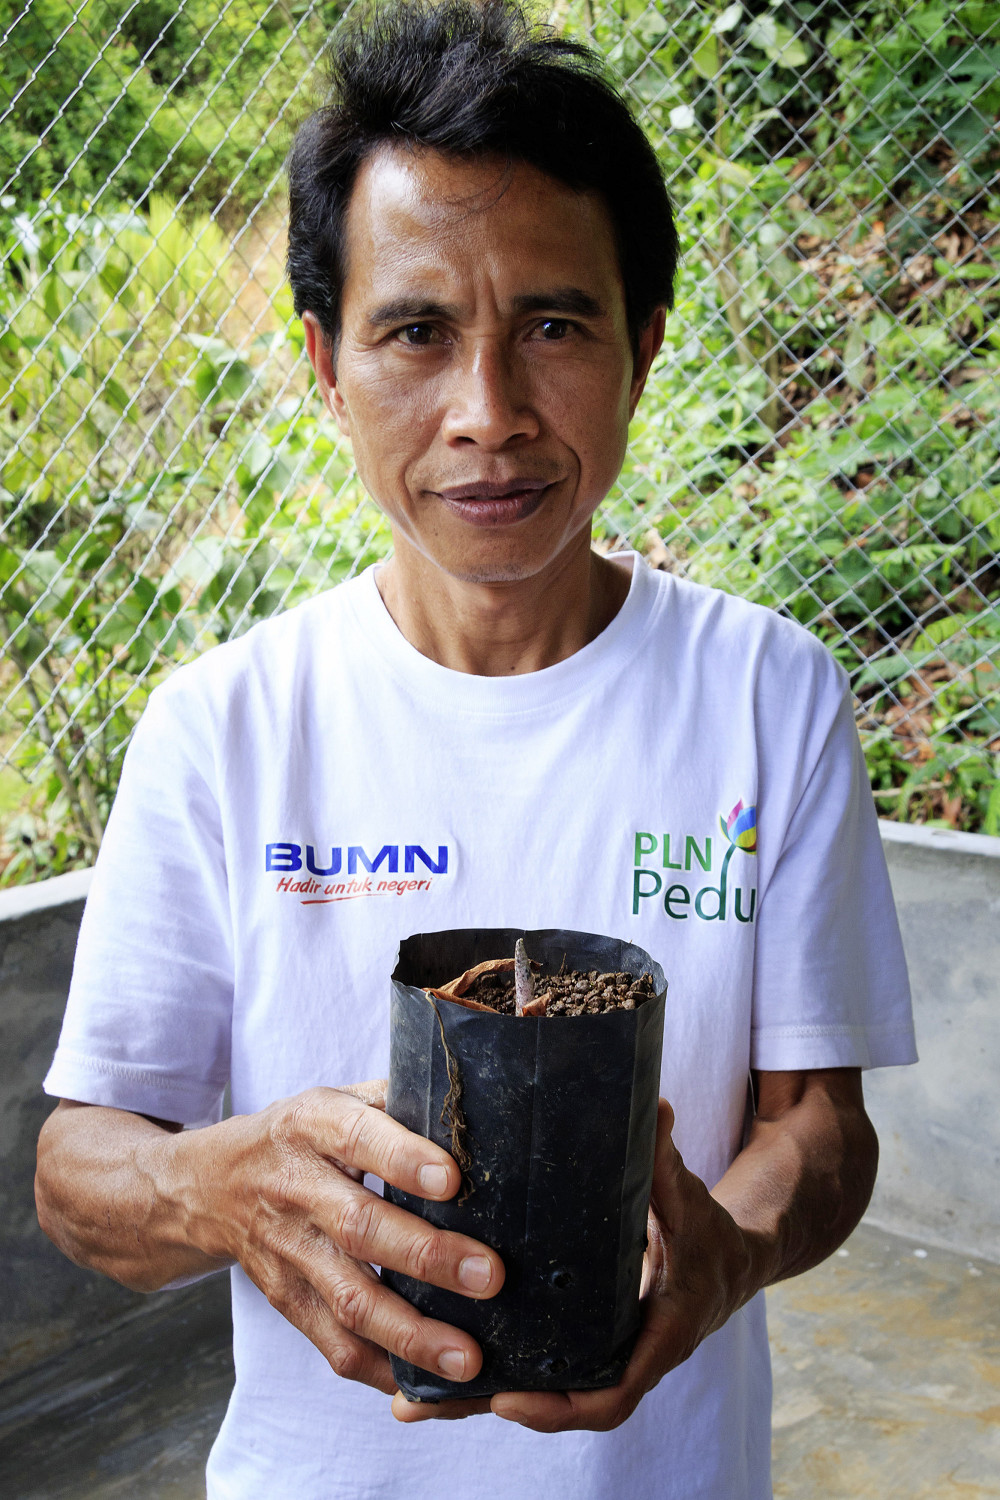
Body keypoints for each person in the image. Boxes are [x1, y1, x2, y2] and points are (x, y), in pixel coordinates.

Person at [34, 3, 917, 1497]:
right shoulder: (226, 725)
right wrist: (213, 1185)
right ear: (326, 363)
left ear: (644, 347)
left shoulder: (768, 692)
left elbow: (819, 1122)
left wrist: (736, 1245)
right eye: (416, 332)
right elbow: (81, 1170)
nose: (488, 416)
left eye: (555, 327)